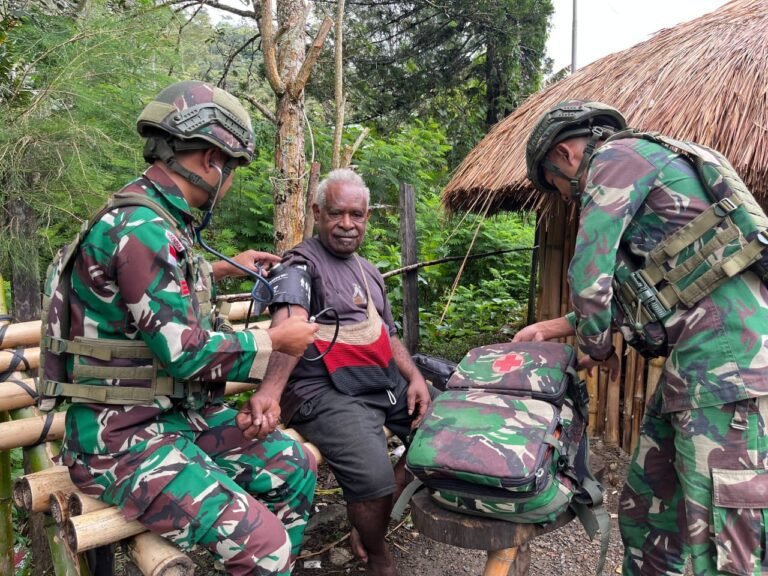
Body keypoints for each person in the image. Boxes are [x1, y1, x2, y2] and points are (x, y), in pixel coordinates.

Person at [42, 80, 320, 576]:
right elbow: (186, 353)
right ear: (212, 160)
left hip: (170, 420)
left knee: (292, 466)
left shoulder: (158, 221)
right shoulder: (143, 228)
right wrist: (274, 341)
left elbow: (142, 293)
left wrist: (223, 268)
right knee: (265, 546)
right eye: (231, 169)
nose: (229, 181)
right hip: (120, 443)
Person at [515, 100, 768, 576]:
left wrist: (596, 347)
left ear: (567, 154)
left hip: (729, 363)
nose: (572, 198)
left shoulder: (615, 158)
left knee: (727, 533)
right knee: (650, 505)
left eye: (563, 190)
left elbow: (590, 275)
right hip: (698, 363)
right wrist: (557, 328)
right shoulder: (652, 164)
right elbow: (654, 286)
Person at [237, 168, 432, 576]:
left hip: (377, 380)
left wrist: (414, 377)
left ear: (367, 218)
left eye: (356, 215)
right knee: (372, 473)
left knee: (444, 432)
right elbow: (289, 328)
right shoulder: (300, 265)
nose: (347, 224)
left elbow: (388, 334)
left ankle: (371, 522)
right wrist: (271, 392)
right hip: (322, 390)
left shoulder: (368, 271)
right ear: (317, 212)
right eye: (336, 214)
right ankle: (378, 555)